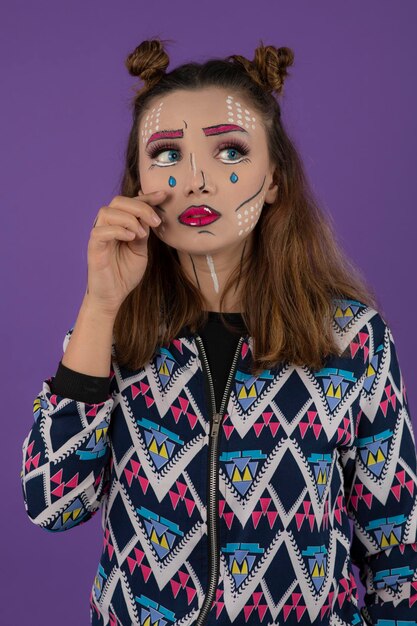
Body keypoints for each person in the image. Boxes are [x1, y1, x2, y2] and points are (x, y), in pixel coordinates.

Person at [20, 38, 417, 626]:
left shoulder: (351, 338)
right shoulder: (112, 334)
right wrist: (100, 303)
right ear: (139, 184)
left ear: (275, 178)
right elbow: (51, 503)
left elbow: (397, 548)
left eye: (230, 151)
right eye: (167, 155)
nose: (197, 178)